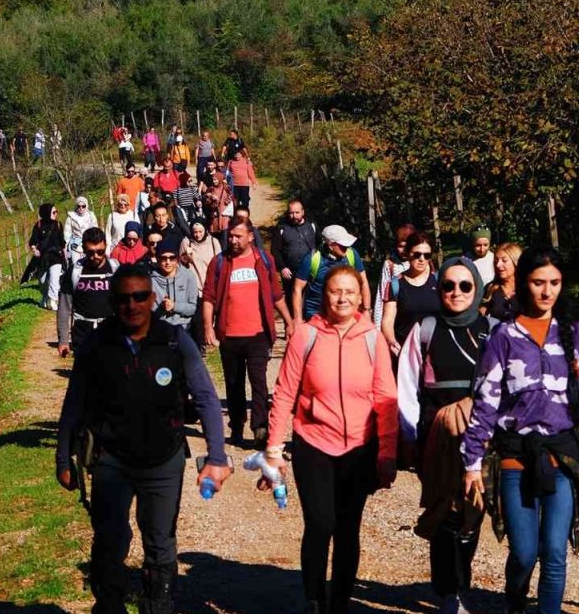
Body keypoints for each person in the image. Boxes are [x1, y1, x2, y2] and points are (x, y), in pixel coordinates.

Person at [55, 263, 232, 614]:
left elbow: (207, 397)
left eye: (139, 297)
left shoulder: (174, 340)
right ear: (112, 301)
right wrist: (63, 457)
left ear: (152, 298)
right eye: (122, 299)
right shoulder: (96, 345)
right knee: (109, 540)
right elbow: (73, 402)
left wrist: (217, 455)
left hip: (163, 459)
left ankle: (158, 606)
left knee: (160, 543)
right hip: (111, 460)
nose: (131, 305)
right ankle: (109, 606)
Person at [461, 247, 579, 614]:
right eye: (539, 282)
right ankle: (514, 603)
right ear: (525, 283)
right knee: (525, 553)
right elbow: (486, 400)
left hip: (562, 454)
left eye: (555, 283)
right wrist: (472, 461)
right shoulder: (504, 337)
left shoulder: (575, 335)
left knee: (554, 553)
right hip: (515, 457)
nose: (547, 291)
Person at [264, 265, 398, 614]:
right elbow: (284, 394)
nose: (342, 298)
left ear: (360, 297)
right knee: (321, 523)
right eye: (336, 291)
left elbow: (386, 398)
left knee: (348, 527)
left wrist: (387, 452)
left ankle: (339, 602)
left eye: (350, 292)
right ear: (324, 294)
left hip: (359, 447)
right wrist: (274, 450)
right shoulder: (305, 336)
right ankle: (313, 598)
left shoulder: (373, 338)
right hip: (313, 444)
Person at [397, 257, 493, 614]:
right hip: (435, 438)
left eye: (465, 286)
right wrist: (409, 435)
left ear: (477, 289)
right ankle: (447, 591)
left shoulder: (492, 330)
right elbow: (406, 384)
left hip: (483, 438)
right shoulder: (425, 329)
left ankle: (458, 581)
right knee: (445, 511)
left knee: (474, 509)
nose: (456, 292)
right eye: (449, 285)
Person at [201, 215, 293, 447]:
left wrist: (289, 321)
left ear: (251, 237)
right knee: (233, 383)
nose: (232, 240)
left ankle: (260, 428)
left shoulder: (264, 260)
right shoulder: (219, 263)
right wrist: (208, 328)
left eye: (237, 236)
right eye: (230, 236)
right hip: (229, 334)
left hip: (258, 334)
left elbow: (275, 294)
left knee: (259, 383)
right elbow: (209, 298)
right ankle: (237, 423)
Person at [57, 228, 116, 358]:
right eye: (90, 252)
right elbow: (64, 307)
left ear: (105, 246)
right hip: (83, 331)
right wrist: (63, 340)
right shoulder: (75, 271)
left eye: (100, 252)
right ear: (83, 249)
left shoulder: (116, 269)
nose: (95, 256)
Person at [294, 225, 371, 325]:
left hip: (345, 310)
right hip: (316, 313)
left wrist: (366, 310)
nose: (346, 248)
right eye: (342, 245)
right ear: (330, 245)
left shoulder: (352, 254)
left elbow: (363, 281)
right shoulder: (312, 259)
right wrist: (298, 318)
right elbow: (297, 288)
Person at [381, 232, 439, 361]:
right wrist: (391, 342)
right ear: (407, 254)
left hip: (436, 352)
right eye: (417, 254)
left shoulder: (440, 281)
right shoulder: (395, 284)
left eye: (427, 255)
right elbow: (387, 321)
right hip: (405, 353)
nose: (422, 259)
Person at [271, 199, 318, 313]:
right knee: (291, 302)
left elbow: (320, 244)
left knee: (309, 301)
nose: (294, 216)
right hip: (290, 272)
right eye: (291, 213)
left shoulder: (312, 225)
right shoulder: (282, 227)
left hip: (310, 271)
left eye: (297, 212)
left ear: (303, 212)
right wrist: (282, 267)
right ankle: (292, 326)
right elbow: (275, 250)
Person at [373, 223, 416, 330]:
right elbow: (381, 295)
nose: (404, 250)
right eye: (400, 246)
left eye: (407, 246)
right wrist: (377, 328)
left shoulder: (421, 262)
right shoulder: (390, 265)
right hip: (394, 319)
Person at [24, 203, 65, 311]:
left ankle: (52, 300)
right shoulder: (38, 225)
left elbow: (62, 242)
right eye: (53, 212)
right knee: (42, 281)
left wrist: (64, 254)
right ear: (46, 213)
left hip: (56, 256)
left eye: (56, 212)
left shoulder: (58, 225)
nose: (56, 214)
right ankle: (45, 297)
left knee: (54, 279)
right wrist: (34, 249)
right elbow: (33, 240)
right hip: (43, 257)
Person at [151, 238, 199, 330]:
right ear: (157, 259)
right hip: (160, 329)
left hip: (183, 327)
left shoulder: (188, 276)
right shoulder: (151, 280)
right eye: (164, 258)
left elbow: (193, 308)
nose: (168, 262)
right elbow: (149, 313)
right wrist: (161, 308)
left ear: (177, 259)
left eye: (172, 258)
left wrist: (174, 306)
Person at [480, 243, 522, 322]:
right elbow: (480, 315)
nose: (498, 265)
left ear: (516, 262)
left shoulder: (527, 288)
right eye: (496, 261)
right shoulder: (491, 288)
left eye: (504, 260)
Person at [65, 196, 100, 262]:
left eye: (83, 206)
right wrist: (65, 246)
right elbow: (67, 233)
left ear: (86, 206)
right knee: (75, 264)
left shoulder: (91, 216)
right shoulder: (71, 217)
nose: (81, 208)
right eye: (79, 206)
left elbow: (95, 231)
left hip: (89, 244)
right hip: (75, 245)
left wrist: (96, 243)